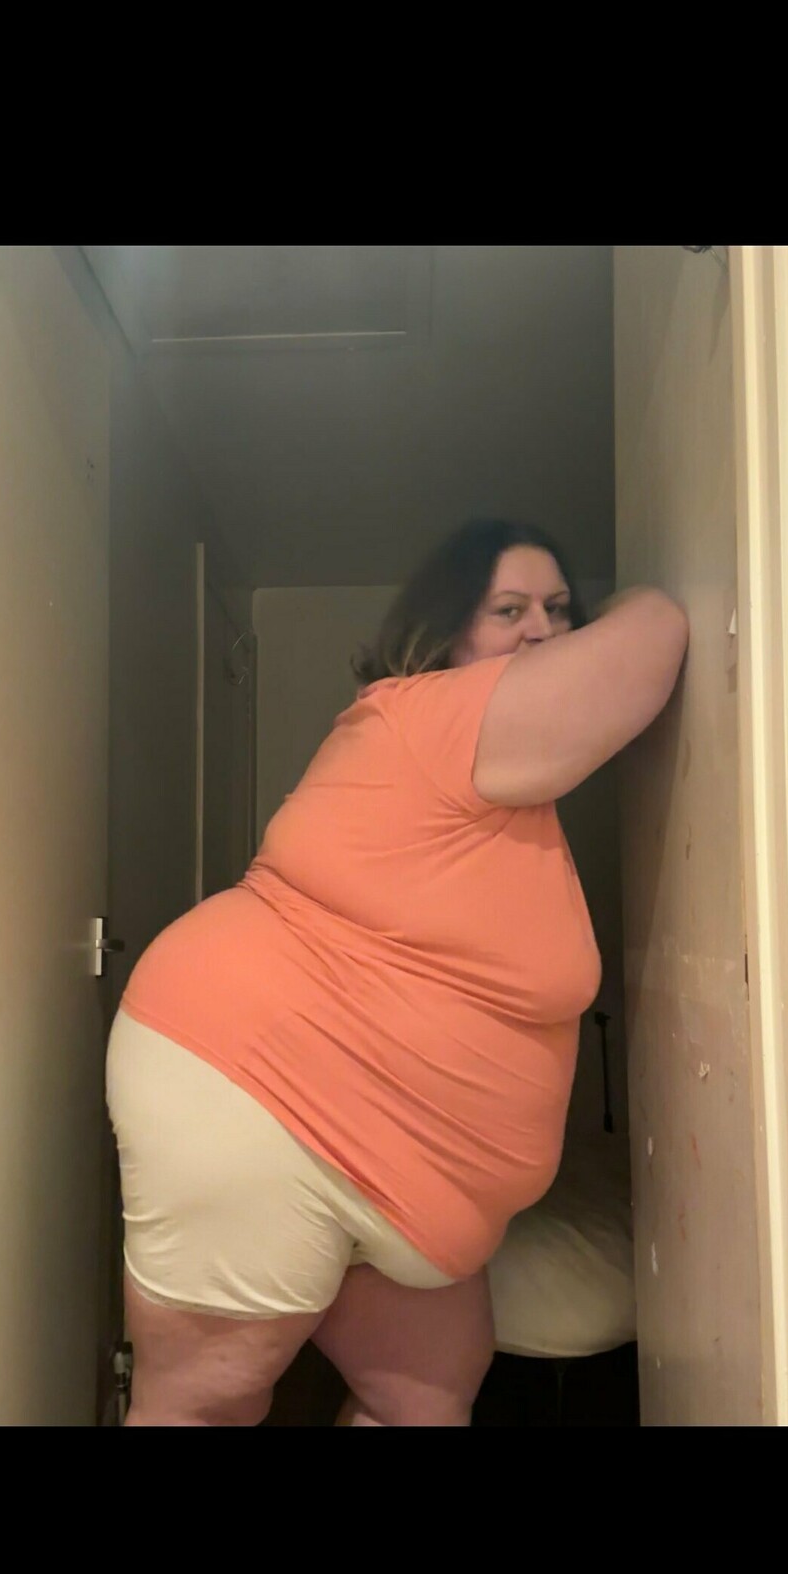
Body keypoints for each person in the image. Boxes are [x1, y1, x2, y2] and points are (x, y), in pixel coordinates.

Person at [106, 518, 688, 1426]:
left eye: (560, 609)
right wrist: (618, 605)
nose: (543, 630)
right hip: (265, 1094)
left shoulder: (503, 797)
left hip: (395, 1172)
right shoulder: (430, 715)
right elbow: (656, 636)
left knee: (426, 1395)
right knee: (202, 1403)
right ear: (446, 633)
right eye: (509, 610)